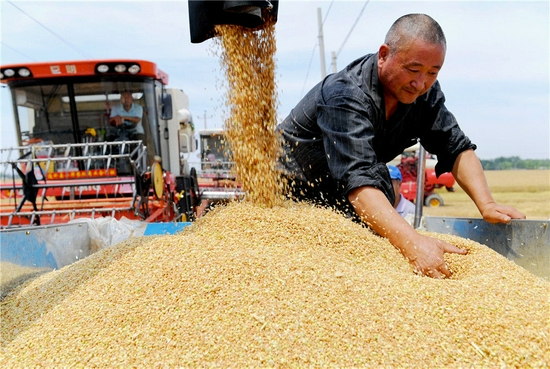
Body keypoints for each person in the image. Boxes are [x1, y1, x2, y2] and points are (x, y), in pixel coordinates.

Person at [278, 13, 525, 279]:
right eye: (413, 69)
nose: (421, 83)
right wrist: (413, 243)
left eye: (433, 72)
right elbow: (359, 180)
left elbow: (455, 146)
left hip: (341, 201)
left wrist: (486, 203)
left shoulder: (423, 95)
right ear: (384, 55)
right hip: (290, 203)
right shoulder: (345, 94)